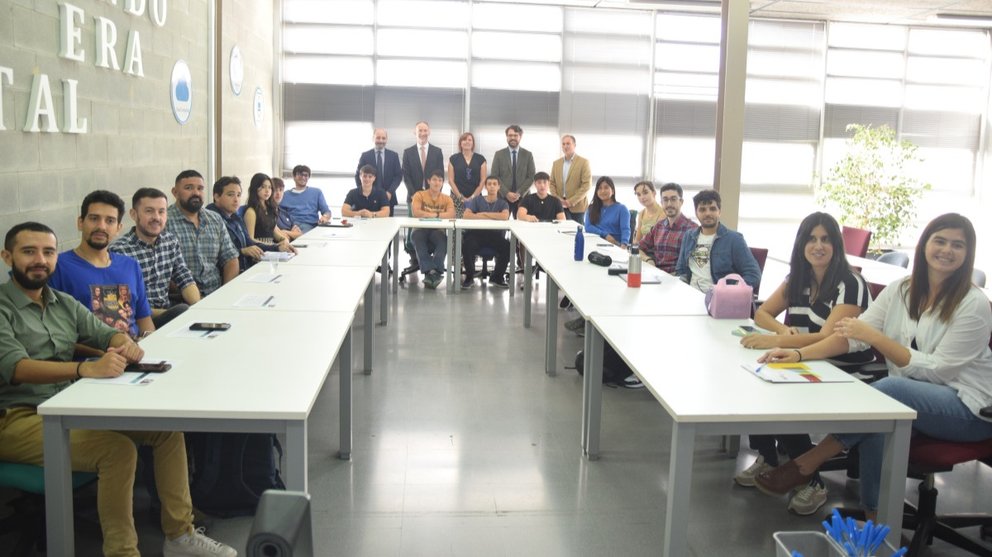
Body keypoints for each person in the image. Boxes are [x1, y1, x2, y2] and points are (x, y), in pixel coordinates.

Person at [0, 222, 237, 557]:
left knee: (166, 430)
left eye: (48, 252)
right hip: (16, 418)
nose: (40, 259)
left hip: (70, 404)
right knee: (117, 450)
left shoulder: (62, 302)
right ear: (7, 256)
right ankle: (122, 552)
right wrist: (85, 369)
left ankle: (179, 536)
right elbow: (17, 368)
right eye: (29, 252)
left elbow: (102, 332)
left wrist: (124, 343)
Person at [754, 213, 992, 521]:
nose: (947, 250)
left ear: (967, 253)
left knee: (887, 394)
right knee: (881, 419)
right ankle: (875, 515)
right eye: (940, 241)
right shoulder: (901, 290)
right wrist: (800, 355)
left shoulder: (973, 303)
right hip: (909, 400)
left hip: (968, 409)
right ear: (924, 246)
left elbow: (938, 372)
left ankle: (808, 462)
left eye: (957, 245)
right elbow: (850, 336)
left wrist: (875, 338)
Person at [733, 212, 873, 515]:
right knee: (758, 379)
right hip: (809, 362)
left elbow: (828, 337)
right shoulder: (797, 278)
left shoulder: (851, 283)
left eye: (825, 239)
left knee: (784, 396)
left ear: (837, 245)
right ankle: (769, 458)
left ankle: (814, 481)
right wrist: (782, 330)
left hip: (847, 371)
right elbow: (762, 314)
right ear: (801, 244)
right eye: (811, 239)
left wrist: (776, 342)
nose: (818, 246)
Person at [49, 190, 154, 339]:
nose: (101, 227)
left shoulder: (131, 266)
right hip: (92, 359)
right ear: (80, 222)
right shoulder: (58, 266)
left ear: (118, 228)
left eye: (110, 221)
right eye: (94, 218)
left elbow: (144, 321)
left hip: (135, 354)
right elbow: (55, 332)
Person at [110, 188, 201, 328]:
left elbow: (184, 278)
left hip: (168, 311)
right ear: (134, 214)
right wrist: (178, 313)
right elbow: (124, 306)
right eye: (149, 211)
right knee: (182, 311)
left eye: (161, 211)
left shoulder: (170, 241)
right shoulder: (119, 252)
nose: (156, 217)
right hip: (139, 321)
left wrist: (198, 307)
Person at [167, 169, 239, 296]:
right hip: (181, 299)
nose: (196, 193)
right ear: (175, 192)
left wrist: (226, 293)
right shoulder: (164, 222)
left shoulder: (215, 219)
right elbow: (163, 273)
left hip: (216, 293)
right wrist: (192, 296)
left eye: (200, 188)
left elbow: (231, 259)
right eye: (189, 188)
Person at [675, 189, 761, 291]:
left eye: (712, 209)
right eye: (702, 209)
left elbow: (753, 275)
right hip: (691, 295)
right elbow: (681, 270)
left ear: (719, 211)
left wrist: (727, 290)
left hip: (720, 300)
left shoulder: (734, 240)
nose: (708, 213)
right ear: (696, 213)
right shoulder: (689, 236)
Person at [207, 176, 294, 273]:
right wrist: (243, 251)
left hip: (245, 267)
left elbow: (249, 242)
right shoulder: (210, 219)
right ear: (217, 197)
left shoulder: (235, 217)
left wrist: (277, 248)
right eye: (231, 195)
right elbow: (214, 255)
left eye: (239, 195)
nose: (236, 200)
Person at [461, 176, 510, 289]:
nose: (492, 186)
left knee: (507, 246)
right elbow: (466, 215)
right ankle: (469, 277)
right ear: (485, 186)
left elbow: (504, 216)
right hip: (477, 235)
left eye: (494, 184)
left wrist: (481, 215)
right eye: (489, 184)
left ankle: (497, 277)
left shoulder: (503, 203)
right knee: (467, 245)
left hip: (495, 236)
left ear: (499, 187)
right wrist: (493, 216)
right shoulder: (477, 200)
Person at [410, 169, 455, 289]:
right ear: (429, 181)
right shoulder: (419, 195)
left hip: (437, 230)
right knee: (418, 240)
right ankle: (433, 272)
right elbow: (416, 212)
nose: (437, 183)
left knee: (444, 241)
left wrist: (432, 214)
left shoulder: (447, 199)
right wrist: (438, 214)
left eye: (440, 180)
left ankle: (432, 271)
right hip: (420, 229)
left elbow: (451, 214)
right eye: (434, 179)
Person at [490, 125, 536, 218]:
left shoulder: (528, 155)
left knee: (522, 228)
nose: (513, 138)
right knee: (500, 229)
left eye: (515, 135)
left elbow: (531, 177)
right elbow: (495, 176)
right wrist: (507, 193)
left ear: (520, 137)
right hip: (502, 197)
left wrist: (518, 193)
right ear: (506, 137)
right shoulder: (499, 154)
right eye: (510, 135)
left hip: (523, 198)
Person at [355, 128, 403, 216]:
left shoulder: (394, 156)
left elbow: (398, 176)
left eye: (383, 138)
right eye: (378, 138)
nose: (381, 140)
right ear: (373, 138)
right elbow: (358, 175)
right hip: (368, 198)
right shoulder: (365, 155)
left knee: (388, 227)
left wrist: (390, 192)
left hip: (388, 197)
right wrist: (364, 192)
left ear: (387, 139)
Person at [401, 121, 445, 213]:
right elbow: (406, 176)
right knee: (413, 226)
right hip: (413, 198)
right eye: (420, 130)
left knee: (434, 225)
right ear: (415, 132)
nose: (423, 133)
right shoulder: (408, 153)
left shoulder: (437, 152)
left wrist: (436, 194)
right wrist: (413, 195)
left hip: (433, 198)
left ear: (429, 132)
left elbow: (441, 176)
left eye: (425, 130)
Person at [549, 134, 591, 224]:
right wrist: (557, 199)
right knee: (561, 231)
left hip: (577, 206)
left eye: (568, 144)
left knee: (576, 232)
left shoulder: (583, 162)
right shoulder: (556, 163)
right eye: (563, 144)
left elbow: (586, 185)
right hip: (559, 205)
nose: (565, 146)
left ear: (574, 145)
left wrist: (571, 201)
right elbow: (551, 183)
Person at [279, 164, 331, 232]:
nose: (303, 177)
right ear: (294, 177)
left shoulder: (317, 192)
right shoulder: (284, 195)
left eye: (306, 175)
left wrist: (325, 217)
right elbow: (280, 214)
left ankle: (289, 235)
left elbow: (327, 211)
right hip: (290, 226)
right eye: (300, 174)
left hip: (310, 226)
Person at [447, 131, 487, 218]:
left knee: (473, 226)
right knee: (457, 225)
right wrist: (460, 197)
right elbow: (450, 180)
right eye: (464, 140)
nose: (467, 142)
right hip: (456, 199)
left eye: (470, 140)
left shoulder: (481, 159)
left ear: (473, 143)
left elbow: (483, 180)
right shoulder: (453, 159)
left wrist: (472, 197)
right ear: (460, 143)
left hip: (476, 198)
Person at [584, 176, 631, 249]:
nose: (603, 191)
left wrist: (624, 245)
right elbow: (588, 227)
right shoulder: (591, 208)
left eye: (606, 187)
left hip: (614, 245)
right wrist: (605, 235)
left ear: (613, 191)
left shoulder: (622, 209)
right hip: (594, 243)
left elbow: (625, 230)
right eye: (599, 188)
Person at [243, 173, 289, 244]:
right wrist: (274, 246)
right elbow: (250, 239)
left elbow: (273, 232)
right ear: (255, 188)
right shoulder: (251, 212)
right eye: (263, 187)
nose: (267, 190)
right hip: (260, 250)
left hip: (272, 248)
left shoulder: (270, 208)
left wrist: (284, 239)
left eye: (269, 187)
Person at [633, 180, 663, 245]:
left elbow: (658, 241)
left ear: (654, 193)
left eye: (645, 193)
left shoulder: (663, 213)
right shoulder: (641, 213)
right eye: (638, 195)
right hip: (643, 250)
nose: (642, 197)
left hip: (655, 251)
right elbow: (638, 239)